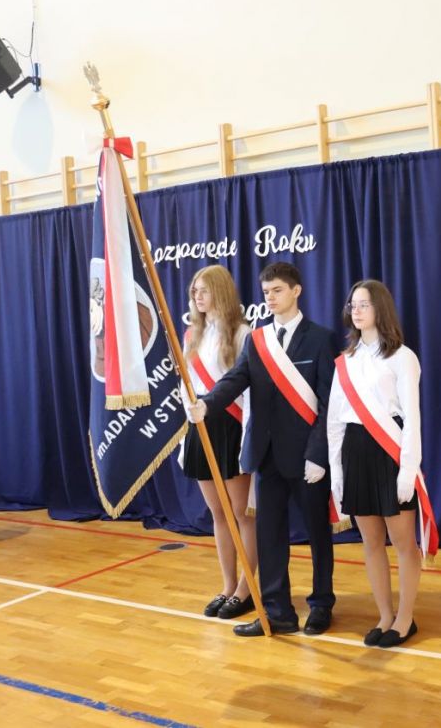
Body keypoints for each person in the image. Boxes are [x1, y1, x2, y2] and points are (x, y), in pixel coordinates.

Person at [188, 262, 339, 637]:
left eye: (277, 291)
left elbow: (328, 403)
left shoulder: (320, 339)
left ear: (296, 291)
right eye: (266, 292)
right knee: (270, 535)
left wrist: (318, 454)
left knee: (318, 533)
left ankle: (321, 603)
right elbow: (235, 379)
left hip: (306, 457)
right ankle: (277, 611)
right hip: (267, 455)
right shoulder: (258, 339)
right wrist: (208, 404)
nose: (270, 298)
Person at [328, 280, 424, 647]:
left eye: (364, 304)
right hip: (356, 450)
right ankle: (384, 614)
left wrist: (408, 470)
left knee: (403, 542)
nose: (356, 310)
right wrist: (337, 472)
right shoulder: (346, 360)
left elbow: (412, 418)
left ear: (380, 308)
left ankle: (405, 618)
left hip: (390, 451)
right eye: (352, 304)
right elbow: (335, 421)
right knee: (370, 542)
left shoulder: (402, 357)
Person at [178, 265, 258, 620]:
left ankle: (246, 588)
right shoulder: (191, 335)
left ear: (221, 292)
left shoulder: (242, 334)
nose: (197, 296)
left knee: (242, 514)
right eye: (194, 291)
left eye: (204, 290)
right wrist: (189, 423)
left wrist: (248, 437)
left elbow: (249, 390)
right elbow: (186, 385)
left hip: (232, 425)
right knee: (219, 513)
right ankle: (227, 585)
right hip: (200, 425)